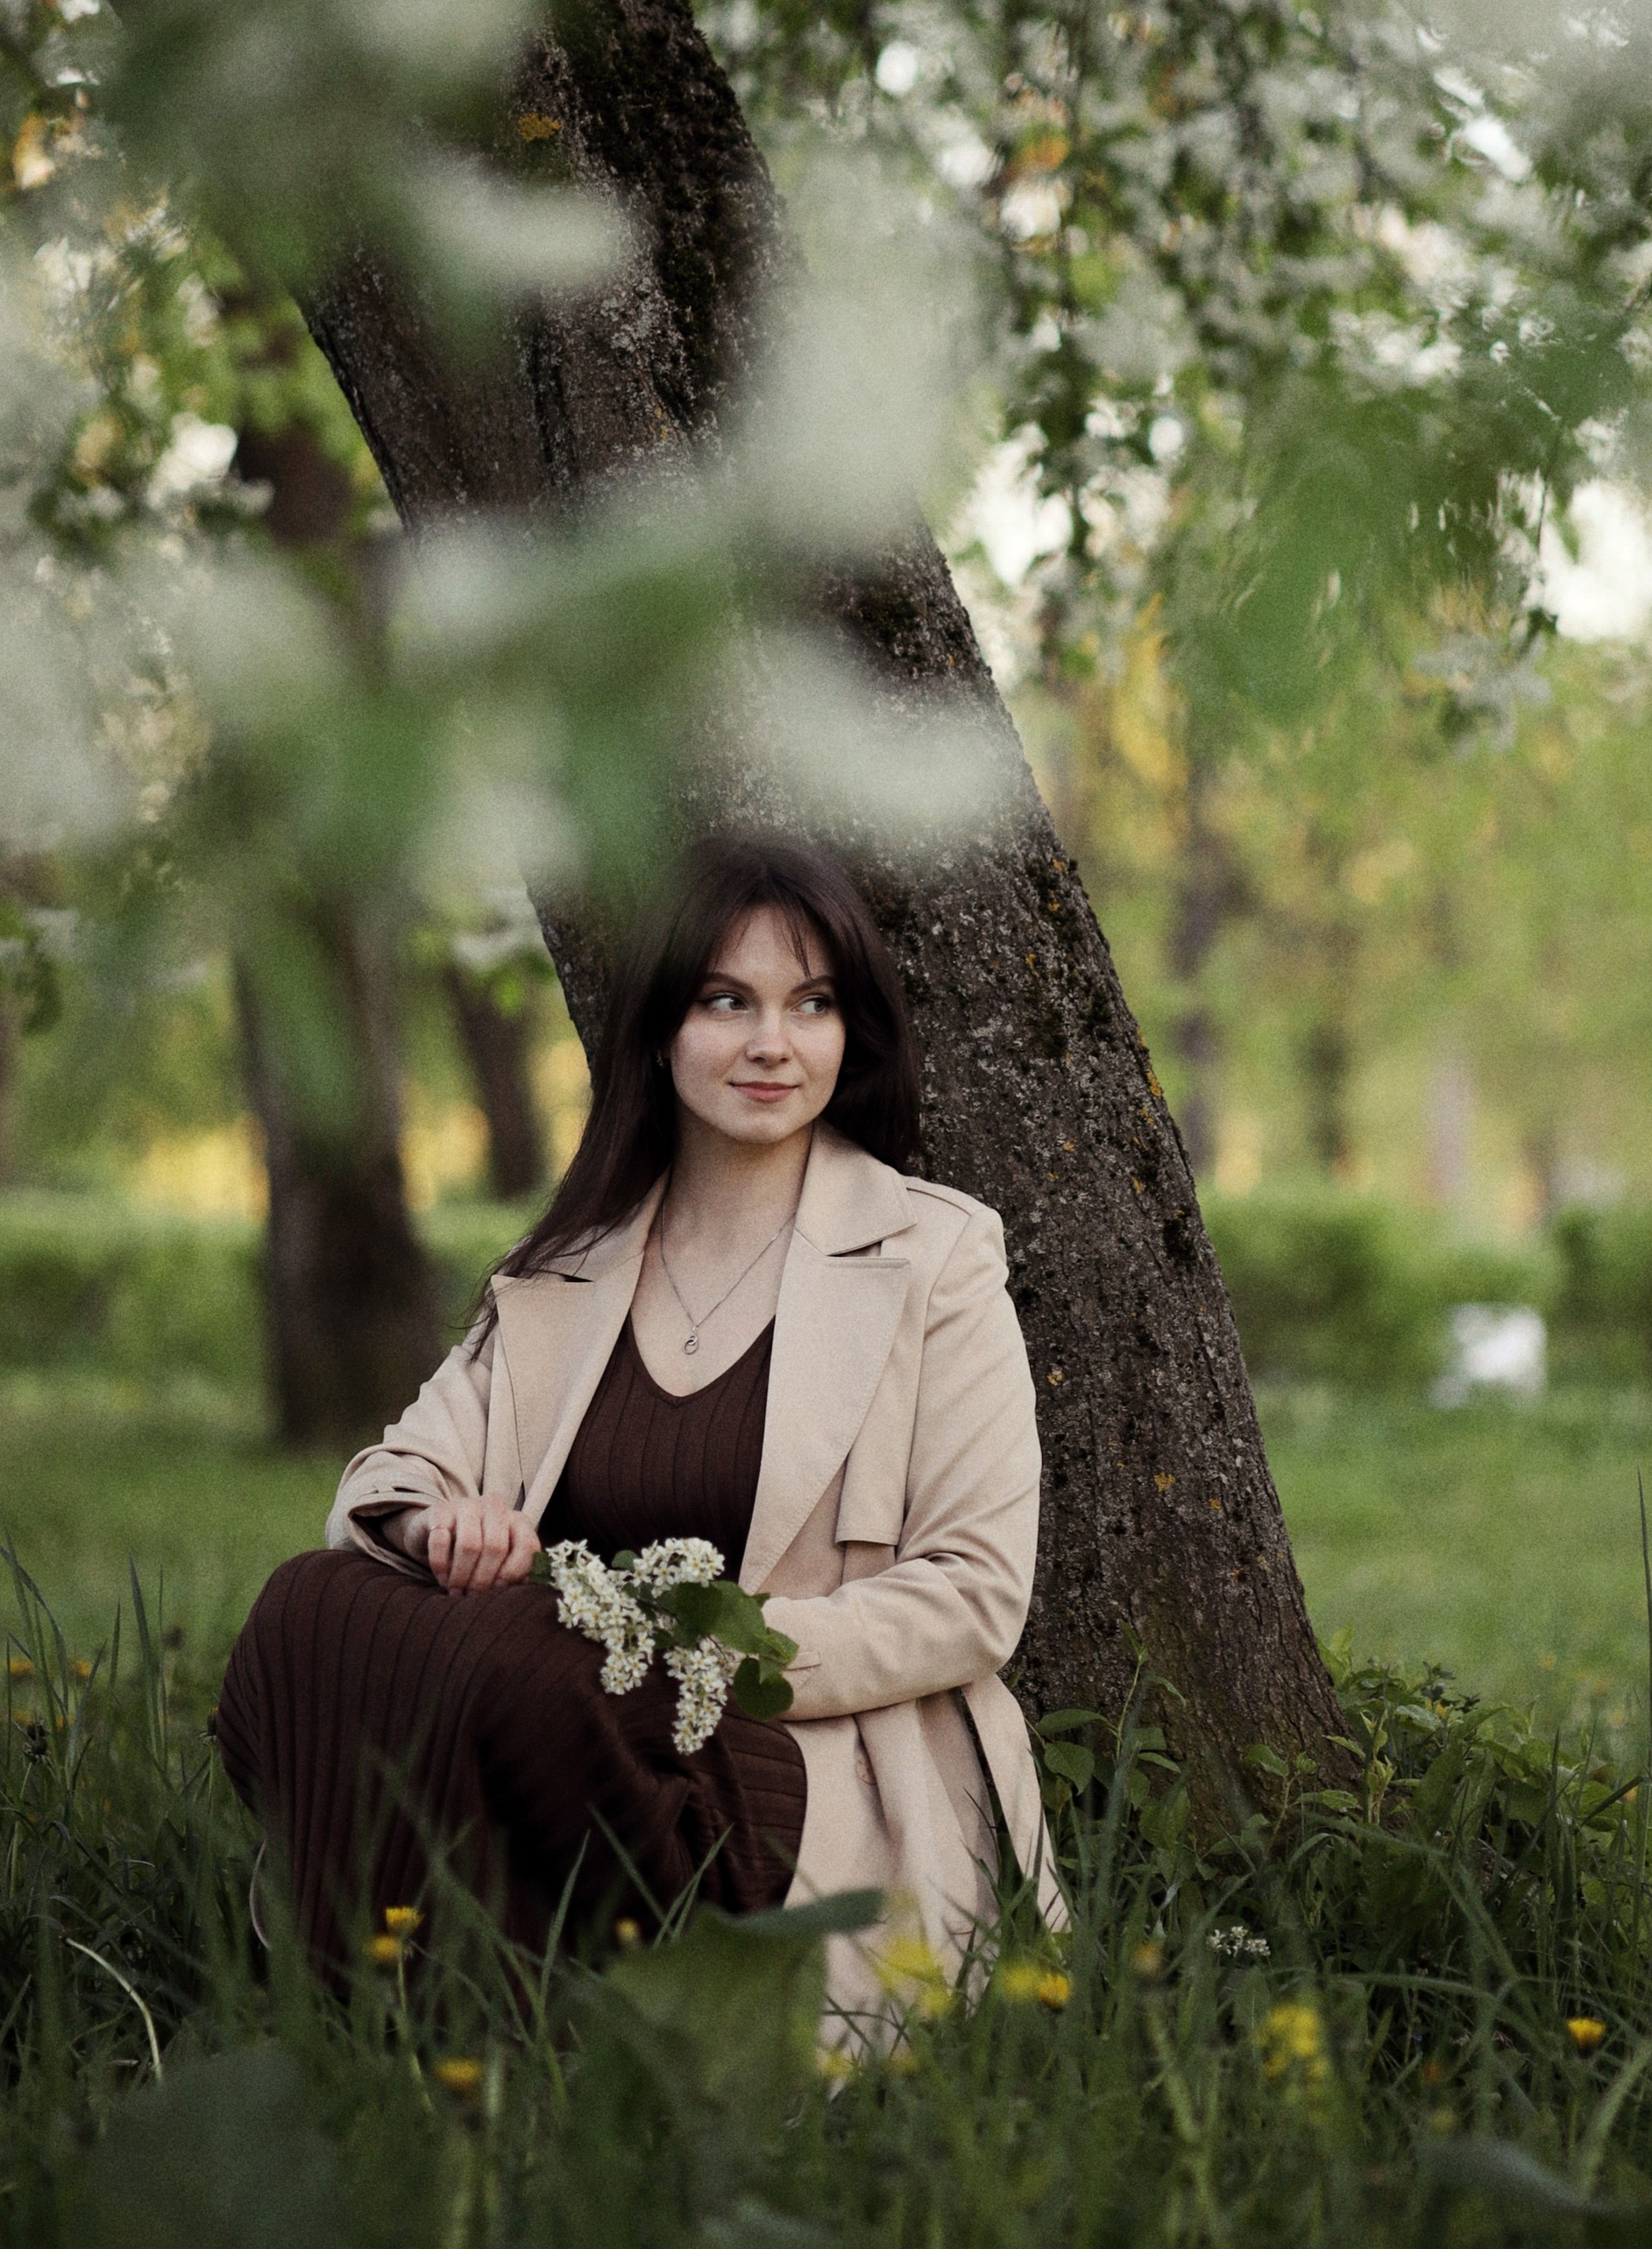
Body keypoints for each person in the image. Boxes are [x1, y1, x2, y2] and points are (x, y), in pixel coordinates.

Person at [216, 834, 1059, 2034]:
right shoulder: (566, 1267)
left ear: (851, 1033)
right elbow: (400, 1472)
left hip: (779, 1761)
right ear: (661, 1029)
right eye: (727, 1001)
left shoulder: (935, 1254)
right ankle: (422, 2000)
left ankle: (442, 2014)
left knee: (520, 1661)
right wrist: (436, 1523)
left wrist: (697, 1664)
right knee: (311, 1606)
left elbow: (976, 1594)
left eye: (812, 1004)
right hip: (551, 1722)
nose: (772, 1043)